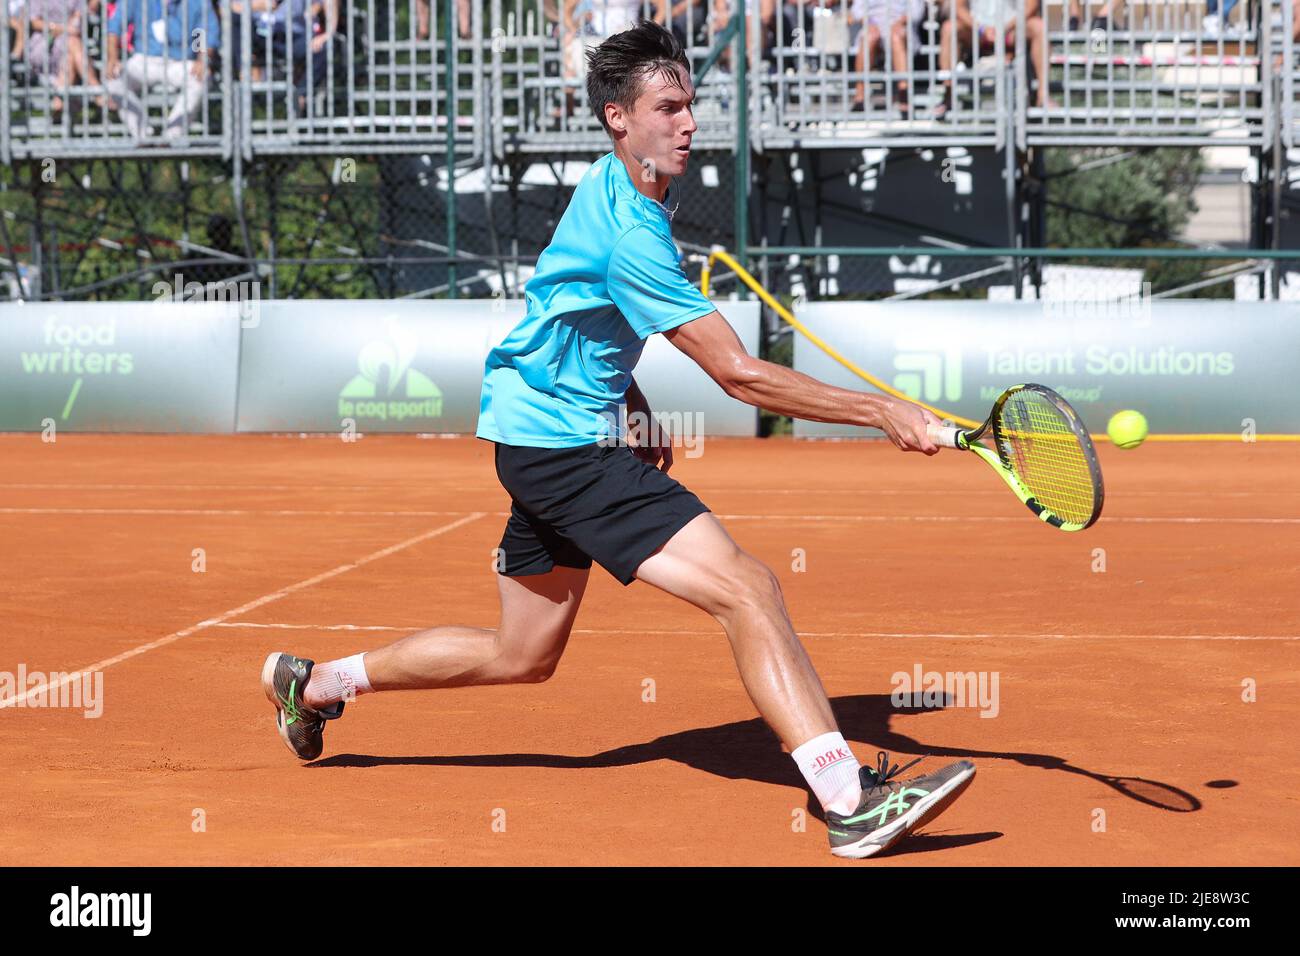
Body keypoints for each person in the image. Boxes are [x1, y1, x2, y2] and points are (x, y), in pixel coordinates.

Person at [261, 19, 976, 860]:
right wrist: (883, 412)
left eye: (690, 106)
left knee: (520, 655)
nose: (688, 124)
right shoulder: (637, 234)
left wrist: (627, 395)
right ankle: (848, 800)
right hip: (563, 450)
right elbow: (739, 375)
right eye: (668, 108)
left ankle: (313, 685)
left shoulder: (615, 186)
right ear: (617, 118)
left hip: (541, 434)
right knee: (747, 589)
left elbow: (578, 311)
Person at [104, 0, 220, 141]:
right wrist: (112, 58)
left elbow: (201, 31)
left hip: (180, 61)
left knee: (202, 77)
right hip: (143, 59)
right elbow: (115, 25)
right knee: (113, 76)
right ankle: (143, 135)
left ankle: (171, 137)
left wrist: (201, 59)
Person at [935, 0, 1053, 115]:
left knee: (1039, 26)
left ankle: (1043, 96)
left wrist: (1005, 28)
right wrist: (982, 29)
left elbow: (1031, 6)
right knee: (949, 28)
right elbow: (958, 8)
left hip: (1012, 30)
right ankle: (948, 95)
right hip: (976, 32)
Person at [23, 0, 102, 113]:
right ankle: (96, 89)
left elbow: (77, 20)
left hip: (68, 45)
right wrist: (59, 28)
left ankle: (58, 100)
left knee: (70, 52)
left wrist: (65, 28)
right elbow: (34, 22)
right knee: (73, 44)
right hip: (43, 43)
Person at [849, 0, 925, 113]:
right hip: (873, 27)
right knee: (869, 36)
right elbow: (857, 11)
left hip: (902, 28)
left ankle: (903, 92)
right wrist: (870, 23)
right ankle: (860, 95)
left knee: (896, 36)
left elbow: (916, 12)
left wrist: (900, 22)